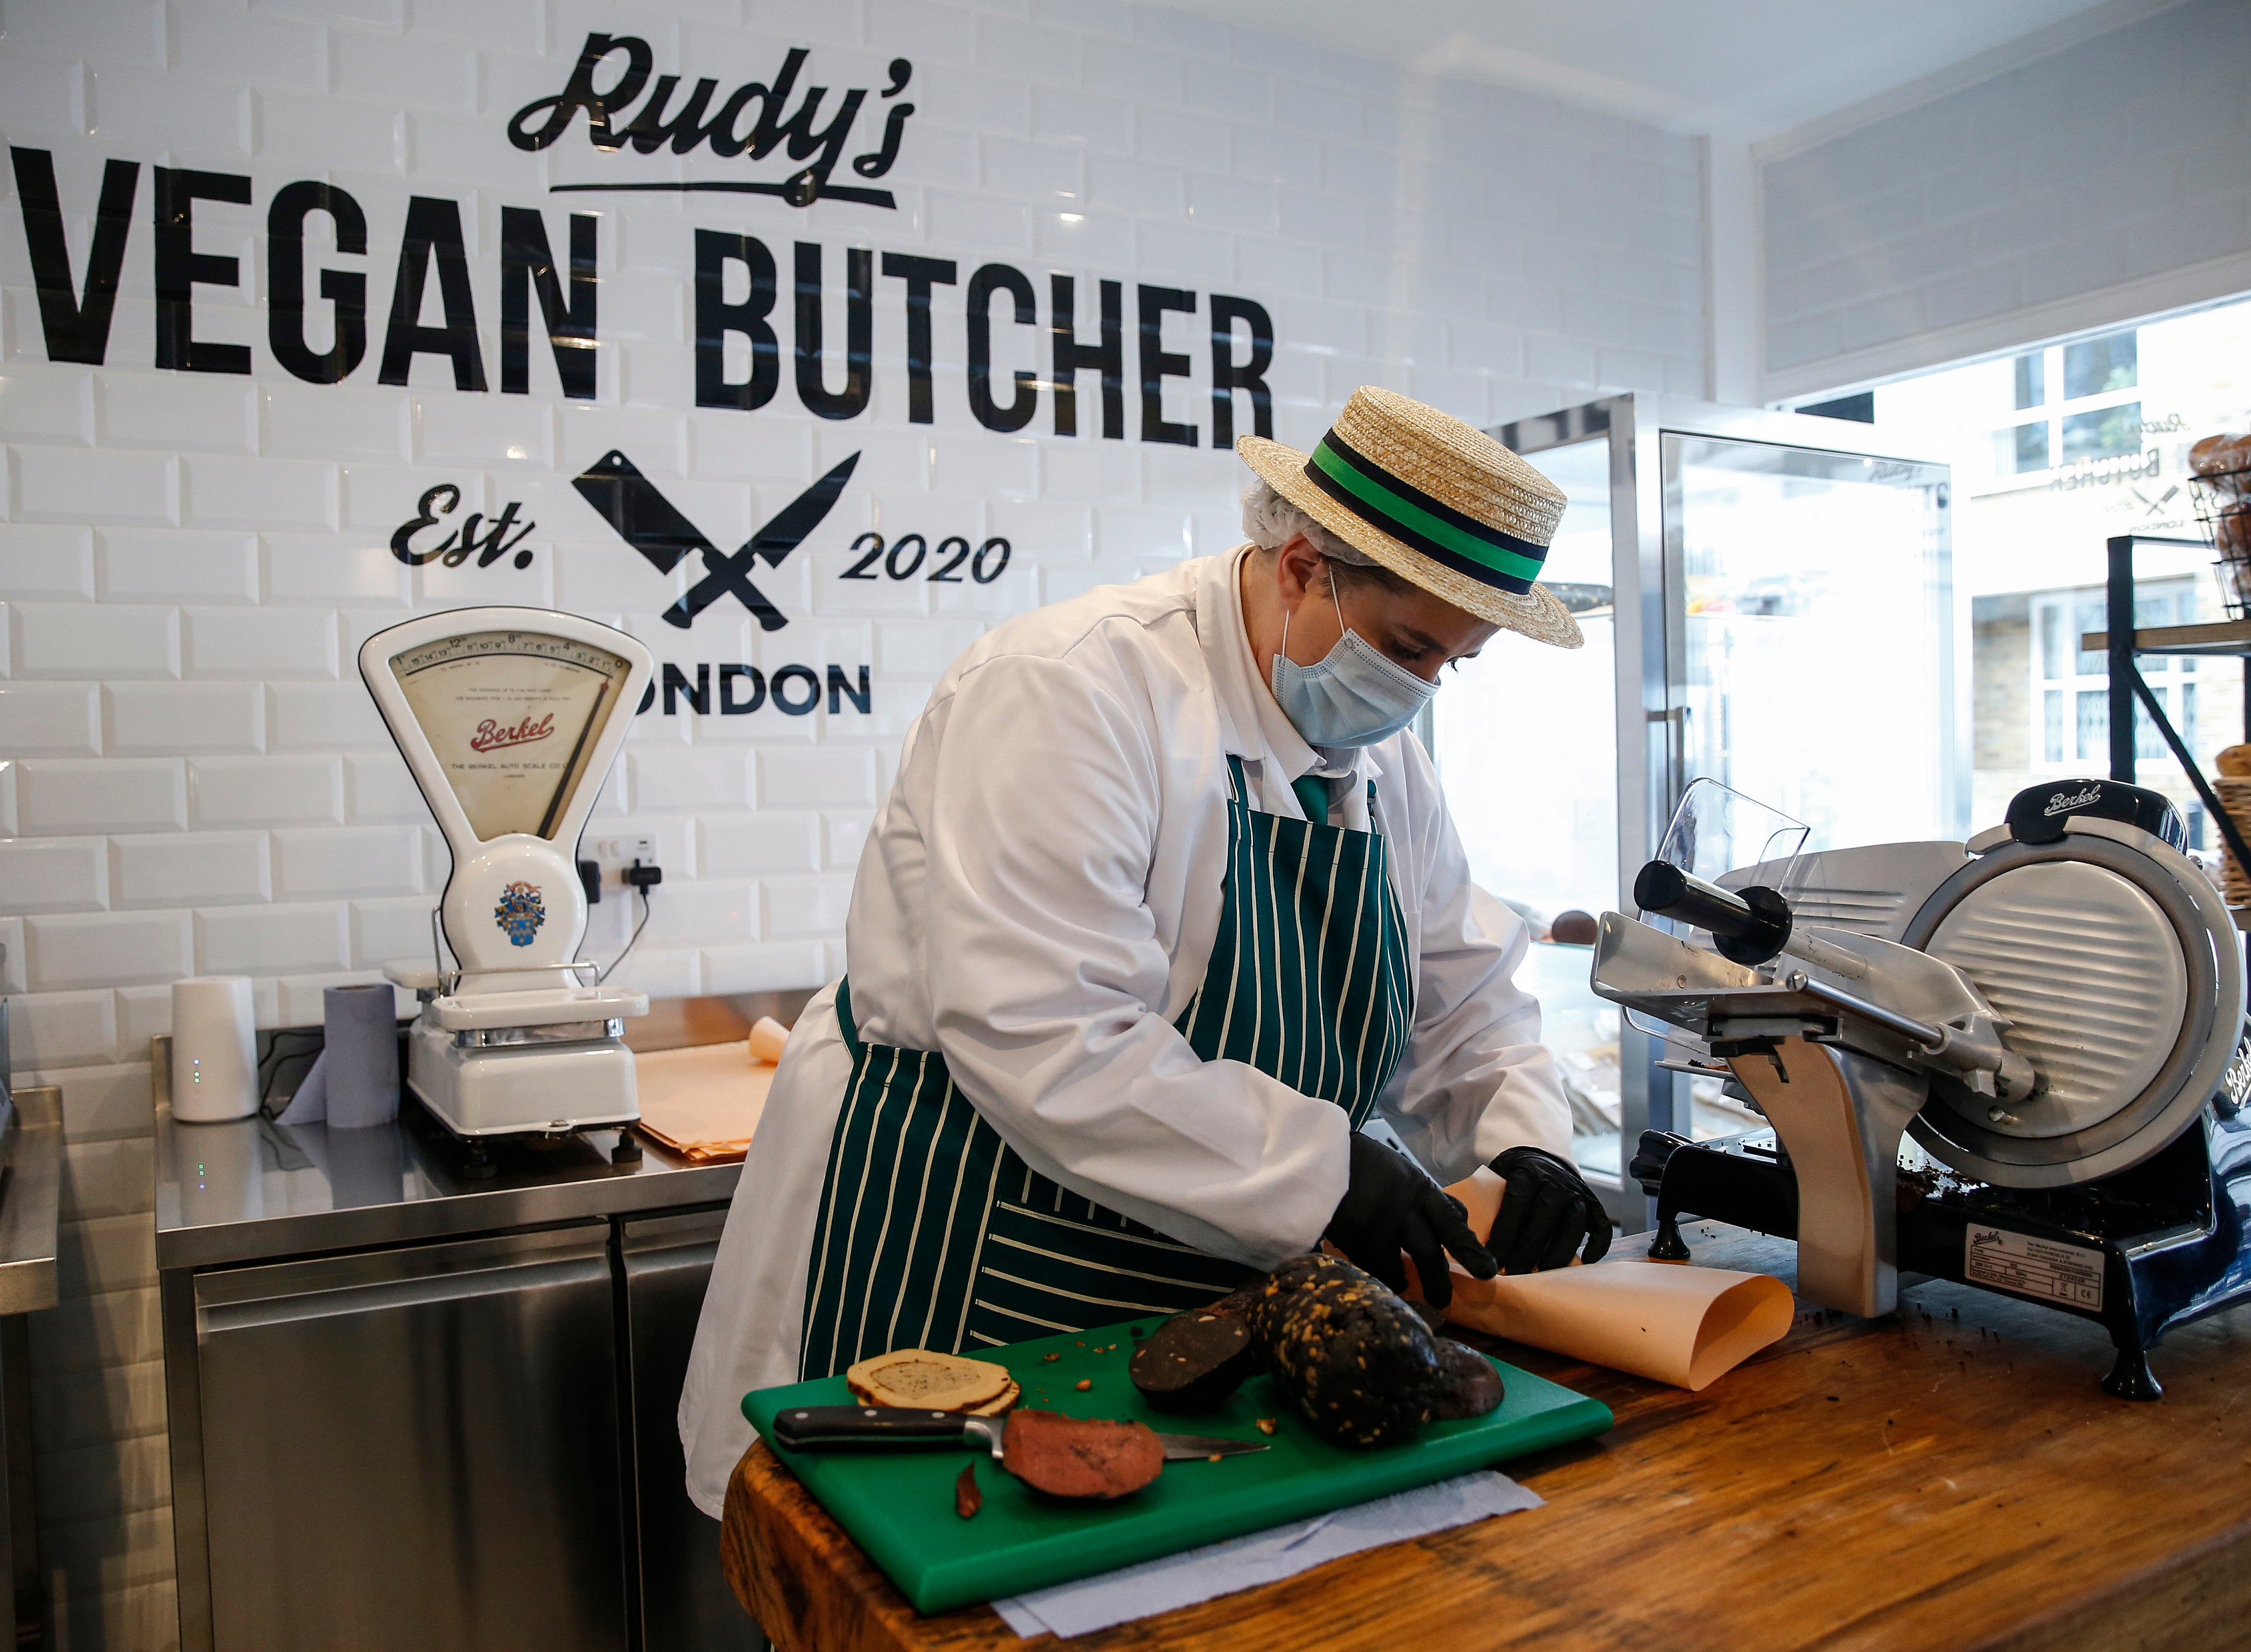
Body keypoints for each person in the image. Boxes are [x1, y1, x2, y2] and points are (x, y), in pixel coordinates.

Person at [678, 386, 1612, 1516]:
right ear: (1304, 564)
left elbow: (1467, 1002)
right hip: (967, 1249)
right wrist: (1332, 1169)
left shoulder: (1381, 758)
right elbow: (1046, 1037)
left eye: (1450, 665)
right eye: (1409, 645)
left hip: (1194, 1270)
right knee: (920, 1576)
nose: (1415, 693)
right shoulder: (1074, 688)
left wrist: (1529, 1146)